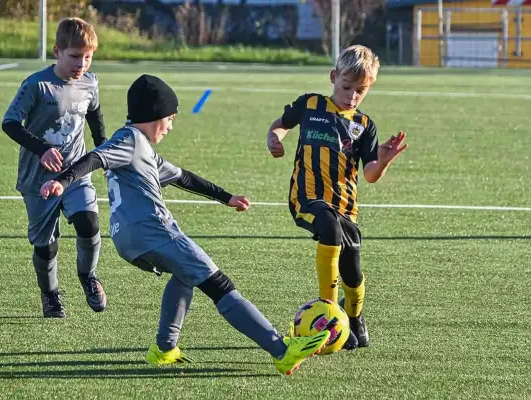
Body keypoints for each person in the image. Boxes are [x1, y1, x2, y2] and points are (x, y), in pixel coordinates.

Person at [39, 74, 330, 375]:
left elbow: (183, 177)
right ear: (155, 115)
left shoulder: (141, 149)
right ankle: (281, 350)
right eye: (170, 119)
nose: (171, 127)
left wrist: (226, 197)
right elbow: (94, 158)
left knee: (184, 276)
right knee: (219, 284)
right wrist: (63, 181)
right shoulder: (129, 141)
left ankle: (164, 349)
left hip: (128, 239)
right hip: (153, 229)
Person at [266, 45, 408, 349]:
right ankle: (329, 311)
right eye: (346, 87)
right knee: (328, 225)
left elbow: (369, 174)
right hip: (307, 199)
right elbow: (279, 125)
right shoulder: (311, 104)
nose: (352, 95)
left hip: (346, 208)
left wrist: (383, 161)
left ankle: (354, 316)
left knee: (353, 274)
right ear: (333, 77)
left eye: (361, 90)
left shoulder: (364, 126)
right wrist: (274, 140)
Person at [2, 17, 107, 318]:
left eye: (88, 57)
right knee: (46, 246)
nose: (81, 64)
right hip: (38, 178)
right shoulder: (37, 84)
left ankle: (88, 276)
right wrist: (42, 149)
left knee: (89, 224)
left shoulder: (91, 82)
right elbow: (9, 123)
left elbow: (95, 118)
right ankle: (50, 295)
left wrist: (105, 154)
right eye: (75, 56)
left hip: (75, 172)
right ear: (57, 51)